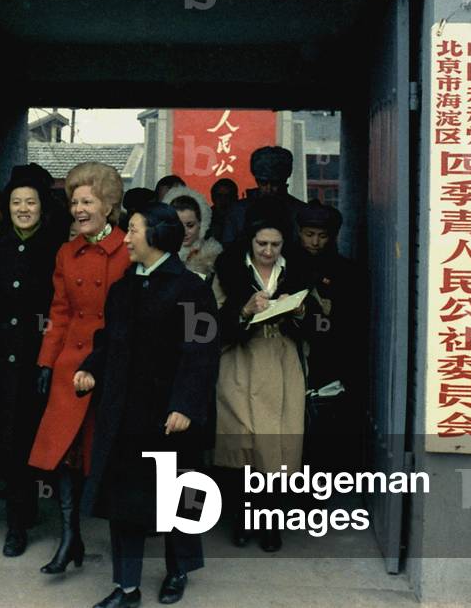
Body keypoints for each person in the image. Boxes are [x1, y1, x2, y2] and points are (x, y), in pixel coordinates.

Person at [74, 202, 220, 608]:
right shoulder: (123, 288)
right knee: (126, 502)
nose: (127, 238)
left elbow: (202, 352)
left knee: (179, 498)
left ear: (156, 235)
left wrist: (186, 405)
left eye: (134, 229)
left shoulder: (192, 288)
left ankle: (180, 569)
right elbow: (108, 341)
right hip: (124, 415)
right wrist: (90, 369)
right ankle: (127, 587)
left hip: (171, 417)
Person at [29, 161, 131, 574]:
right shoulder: (65, 253)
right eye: (74, 202)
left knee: (107, 454)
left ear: (109, 205)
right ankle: (69, 535)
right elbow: (60, 311)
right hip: (70, 365)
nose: (79, 209)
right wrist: (45, 361)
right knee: (64, 454)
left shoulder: (129, 248)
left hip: (112, 366)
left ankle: (125, 553)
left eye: (87, 201)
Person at [211, 198, 312, 553]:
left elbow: (315, 325)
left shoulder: (297, 269)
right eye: (262, 244)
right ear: (249, 242)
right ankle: (242, 519)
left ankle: (270, 523)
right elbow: (209, 324)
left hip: (281, 359)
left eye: (275, 244)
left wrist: (298, 312)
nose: (268, 251)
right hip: (241, 359)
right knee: (243, 444)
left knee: (276, 447)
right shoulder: (227, 269)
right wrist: (244, 310)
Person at [0, 164, 64, 557]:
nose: (23, 209)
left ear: (42, 207)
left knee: (41, 442)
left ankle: (63, 524)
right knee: (11, 443)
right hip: (1, 363)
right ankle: (16, 524)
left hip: (42, 361)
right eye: (16, 203)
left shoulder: (56, 248)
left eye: (30, 202)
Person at [292, 200, 366, 474]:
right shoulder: (288, 269)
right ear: (299, 233)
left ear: (332, 237)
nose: (315, 242)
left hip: (331, 358)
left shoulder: (348, 273)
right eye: (309, 235)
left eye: (322, 236)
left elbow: (351, 325)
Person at [221, 147, 306, 248]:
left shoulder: (301, 212)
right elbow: (229, 250)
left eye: (275, 183)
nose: (269, 189)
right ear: (257, 180)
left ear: (284, 180)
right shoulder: (238, 211)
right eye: (263, 183)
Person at [163, 186, 223, 280]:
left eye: (190, 225)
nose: (184, 232)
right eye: (178, 226)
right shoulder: (159, 255)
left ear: (201, 223)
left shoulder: (213, 258)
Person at [208, 178, 238, 244]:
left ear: (236, 198)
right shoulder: (205, 220)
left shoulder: (242, 219)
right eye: (219, 196)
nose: (223, 199)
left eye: (228, 196)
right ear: (213, 198)